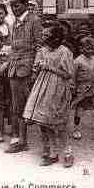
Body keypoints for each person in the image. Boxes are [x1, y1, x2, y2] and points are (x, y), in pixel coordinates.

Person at [23, 25, 75, 167]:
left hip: (58, 88)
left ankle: (67, 152)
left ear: (56, 37)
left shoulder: (65, 52)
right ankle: (52, 152)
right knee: (44, 121)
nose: (43, 37)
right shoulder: (42, 50)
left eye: (47, 35)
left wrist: (49, 67)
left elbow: (68, 74)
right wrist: (37, 68)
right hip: (42, 87)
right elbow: (36, 67)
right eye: (43, 35)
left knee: (59, 122)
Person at [5, 0, 43, 154]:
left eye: (17, 6)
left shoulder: (34, 21)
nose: (14, 9)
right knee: (16, 105)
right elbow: (13, 45)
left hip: (26, 69)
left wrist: (34, 69)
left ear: (25, 5)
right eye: (12, 7)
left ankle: (23, 140)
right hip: (14, 68)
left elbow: (39, 46)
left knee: (26, 105)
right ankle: (19, 138)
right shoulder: (14, 23)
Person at [71, 36, 94, 142]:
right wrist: (73, 88)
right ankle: (76, 129)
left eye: (92, 48)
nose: (89, 50)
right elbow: (72, 77)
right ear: (81, 48)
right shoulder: (77, 61)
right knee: (79, 111)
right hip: (81, 90)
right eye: (87, 48)